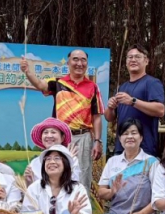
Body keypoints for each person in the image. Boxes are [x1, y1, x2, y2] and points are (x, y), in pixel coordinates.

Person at [21, 49, 104, 189]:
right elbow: (40, 85)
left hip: (83, 137)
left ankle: (81, 209)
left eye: (83, 60)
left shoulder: (93, 87)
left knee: (82, 177)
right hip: (61, 137)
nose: (79, 63)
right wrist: (27, 72)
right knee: (55, 173)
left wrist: (97, 141)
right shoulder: (58, 82)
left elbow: (97, 117)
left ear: (87, 63)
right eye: (75, 59)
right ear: (68, 62)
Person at [85, 119, 158, 214]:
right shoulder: (113, 162)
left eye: (134, 133)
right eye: (125, 133)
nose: (129, 137)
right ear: (120, 138)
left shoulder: (151, 162)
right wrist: (112, 191)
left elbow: (158, 197)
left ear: (141, 137)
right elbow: (101, 192)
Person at [103, 44, 165, 156]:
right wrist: (111, 108)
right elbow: (109, 117)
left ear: (146, 61)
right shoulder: (122, 87)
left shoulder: (152, 83)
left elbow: (160, 110)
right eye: (130, 57)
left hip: (144, 147)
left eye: (137, 57)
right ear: (126, 62)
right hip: (122, 147)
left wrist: (133, 101)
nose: (133, 60)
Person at [24, 118, 81, 185]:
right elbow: (31, 191)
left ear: (62, 137)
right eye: (45, 132)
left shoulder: (72, 159)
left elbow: (73, 186)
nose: (49, 135)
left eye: (53, 132)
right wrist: (28, 181)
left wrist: (68, 163)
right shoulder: (34, 163)